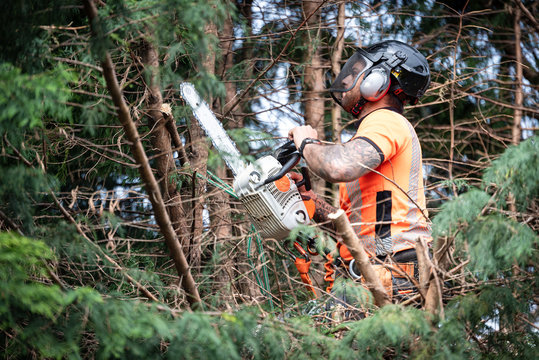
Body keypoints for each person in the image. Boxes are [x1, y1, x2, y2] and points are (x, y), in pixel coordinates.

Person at [288, 40, 431, 300]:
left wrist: (307, 143)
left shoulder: (386, 121)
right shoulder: (370, 139)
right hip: (375, 269)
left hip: (393, 268)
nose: (347, 79)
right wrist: (309, 200)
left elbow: (337, 166)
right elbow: (356, 226)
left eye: (356, 72)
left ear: (378, 80)